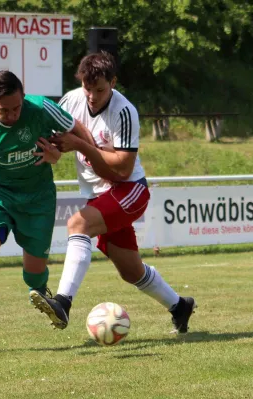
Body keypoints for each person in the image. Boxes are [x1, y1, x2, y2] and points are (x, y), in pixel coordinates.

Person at [30, 52, 197, 334]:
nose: (92, 96)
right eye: (87, 88)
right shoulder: (69, 101)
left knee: (77, 223)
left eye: (100, 90)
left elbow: (121, 169)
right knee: (131, 271)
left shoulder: (124, 111)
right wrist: (53, 152)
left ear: (113, 82)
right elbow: (59, 145)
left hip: (129, 190)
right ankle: (180, 306)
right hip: (101, 196)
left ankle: (62, 303)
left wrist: (81, 146)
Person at [0, 70, 94, 357]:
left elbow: (77, 129)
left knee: (33, 275)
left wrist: (82, 156)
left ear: (24, 98)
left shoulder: (41, 107)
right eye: (4, 110)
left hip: (39, 199)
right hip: (1, 195)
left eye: (17, 108)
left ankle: (43, 293)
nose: (12, 115)